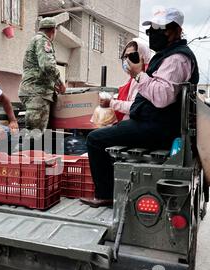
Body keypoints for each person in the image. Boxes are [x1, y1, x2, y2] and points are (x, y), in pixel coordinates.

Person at [80, 8, 199, 208]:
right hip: (150, 122)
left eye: (160, 28)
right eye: (151, 29)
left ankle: (106, 194)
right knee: (105, 136)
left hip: (157, 127)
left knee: (95, 140)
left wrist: (138, 74)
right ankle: (112, 188)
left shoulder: (176, 59)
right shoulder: (164, 57)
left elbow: (162, 98)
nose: (153, 33)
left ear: (176, 30)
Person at [18, 17, 66, 132]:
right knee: (35, 134)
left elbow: (41, 69)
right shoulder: (43, 40)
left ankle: (32, 150)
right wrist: (60, 82)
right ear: (53, 30)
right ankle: (29, 151)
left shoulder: (36, 40)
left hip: (34, 91)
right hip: (37, 92)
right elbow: (47, 66)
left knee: (34, 133)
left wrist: (52, 84)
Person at [99, 39, 152, 122]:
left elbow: (134, 106)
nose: (127, 60)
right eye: (125, 57)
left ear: (142, 57)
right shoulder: (132, 78)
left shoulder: (143, 76)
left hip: (136, 124)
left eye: (132, 56)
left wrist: (111, 103)